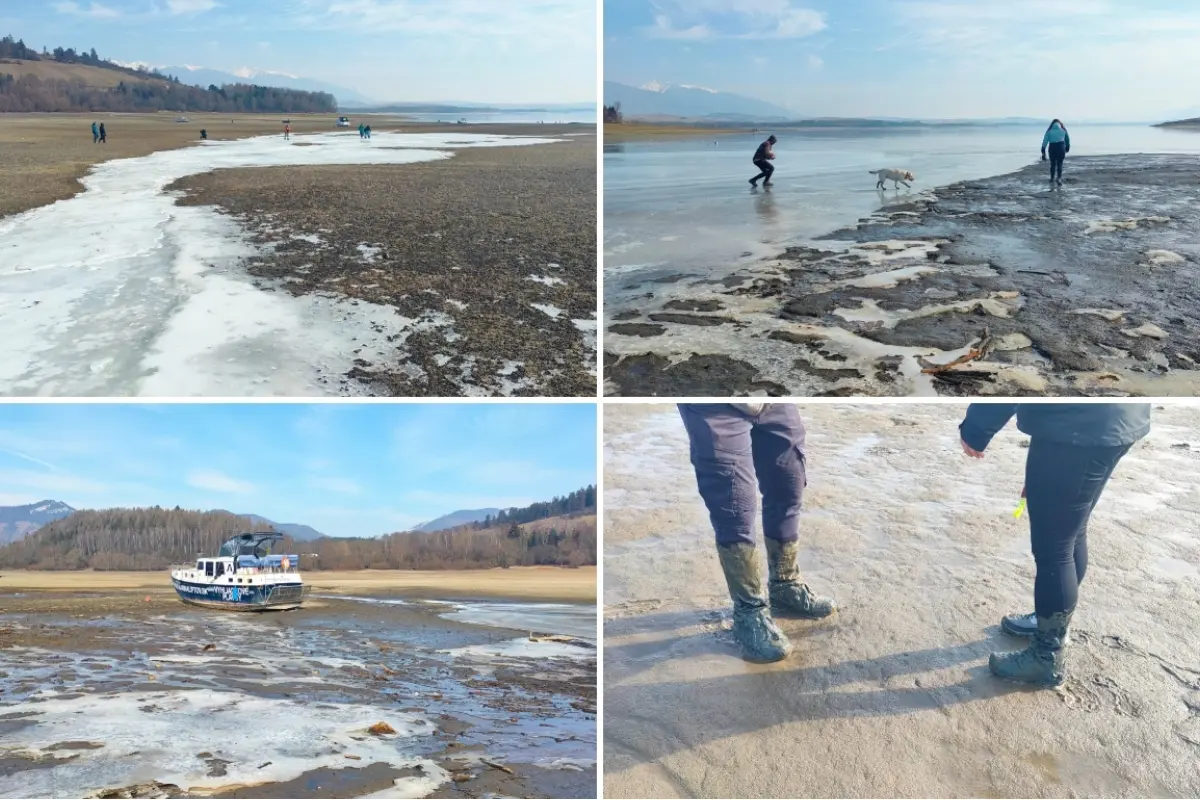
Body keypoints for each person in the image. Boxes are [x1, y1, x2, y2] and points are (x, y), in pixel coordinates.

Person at [958, 403, 1150, 687]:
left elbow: (1017, 380)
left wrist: (977, 428)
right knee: (1071, 530)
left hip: (1076, 427)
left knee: (1054, 547)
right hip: (1113, 420)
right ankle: (1048, 621)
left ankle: (1047, 655)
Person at [679, 403, 836, 663]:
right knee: (734, 504)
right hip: (713, 406)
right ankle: (748, 611)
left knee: (788, 482)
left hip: (773, 401)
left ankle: (786, 585)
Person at [1041, 119, 1070, 186]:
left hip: (1052, 148)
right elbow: (1067, 139)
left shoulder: (1049, 131)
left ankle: (1052, 178)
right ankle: (1059, 178)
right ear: (1060, 124)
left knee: (1053, 164)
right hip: (1061, 147)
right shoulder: (1063, 130)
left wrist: (1043, 150)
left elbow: (1045, 141)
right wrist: (1067, 147)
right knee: (1060, 164)